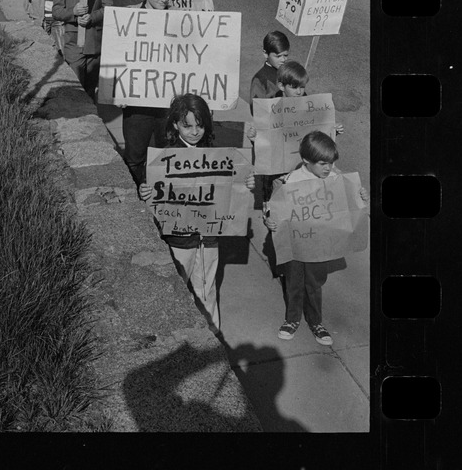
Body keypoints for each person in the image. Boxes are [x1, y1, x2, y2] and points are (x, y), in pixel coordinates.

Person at [139, 93, 255, 334]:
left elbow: (231, 189)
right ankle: (179, 334)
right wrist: (145, 190)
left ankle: (212, 333)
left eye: (200, 125)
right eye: (187, 125)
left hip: (210, 237)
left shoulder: (217, 156)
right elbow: (153, 196)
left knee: (207, 286)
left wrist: (245, 183)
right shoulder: (162, 160)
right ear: (174, 125)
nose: (194, 131)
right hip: (179, 239)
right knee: (178, 287)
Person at [262, 131, 369, 346]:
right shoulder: (289, 181)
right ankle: (292, 319)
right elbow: (271, 208)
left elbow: (351, 205)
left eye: (330, 162)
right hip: (295, 242)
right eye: (322, 163)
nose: (327, 168)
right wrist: (269, 220)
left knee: (314, 282)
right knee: (293, 281)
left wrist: (362, 197)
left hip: (320, 244)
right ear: (305, 161)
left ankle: (315, 321)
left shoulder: (334, 179)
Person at [247, 61, 344, 201]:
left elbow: (317, 133)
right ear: (281, 86)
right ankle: (270, 211)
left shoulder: (309, 105)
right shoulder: (269, 108)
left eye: (302, 87)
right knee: (276, 195)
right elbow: (263, 140)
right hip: (277, 168)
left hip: (300, 166)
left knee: (299, 196)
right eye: (294, 87)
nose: (299, 92)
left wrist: (333, 131)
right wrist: (253, 137)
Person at [119, 0, 173, 186]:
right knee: (135, 156)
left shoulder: (180, 21)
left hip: (167, 102)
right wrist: (117, 89)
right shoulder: (129, 17)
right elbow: (118, 54)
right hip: (137, 102)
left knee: (167, 156)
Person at [52, 0, 113, 100]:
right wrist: (73, 12)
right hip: (74, 44)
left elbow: (108, 8)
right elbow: (56, 11)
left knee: (91, 89)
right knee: (76, 88)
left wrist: (92, 17)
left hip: (94, 43)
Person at [249, 31, 291, 204]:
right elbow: (256, 109)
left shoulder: (288, 74)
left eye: (286, 55)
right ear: (265, 53)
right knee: (269, 178)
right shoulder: (260, 79)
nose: (282, 60)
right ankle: (269, 206)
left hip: (288, 136)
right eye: (278, 56)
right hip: (269, 137)